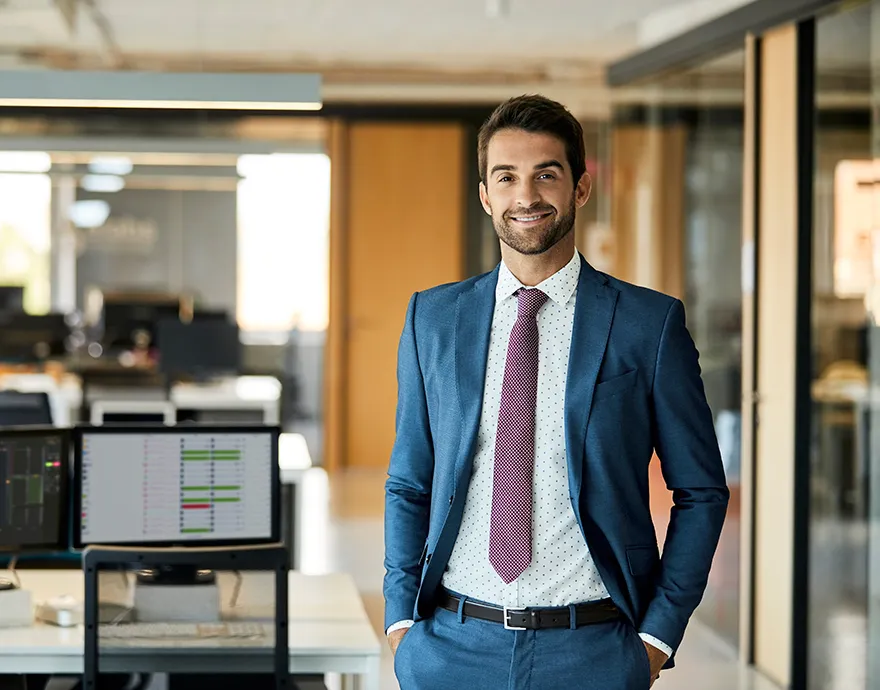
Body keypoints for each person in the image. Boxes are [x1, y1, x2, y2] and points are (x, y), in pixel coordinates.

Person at [383, 94, 729, 690]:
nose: (526, 196)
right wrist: (401, 623)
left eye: (546, 174)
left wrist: (656, 638)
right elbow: (409, 481)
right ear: (485, 194)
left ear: (580, 188)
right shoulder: (432, 320)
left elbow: (700, 491)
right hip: (452, 647)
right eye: (506, 177)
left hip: (592, 650)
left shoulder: (648, 325)